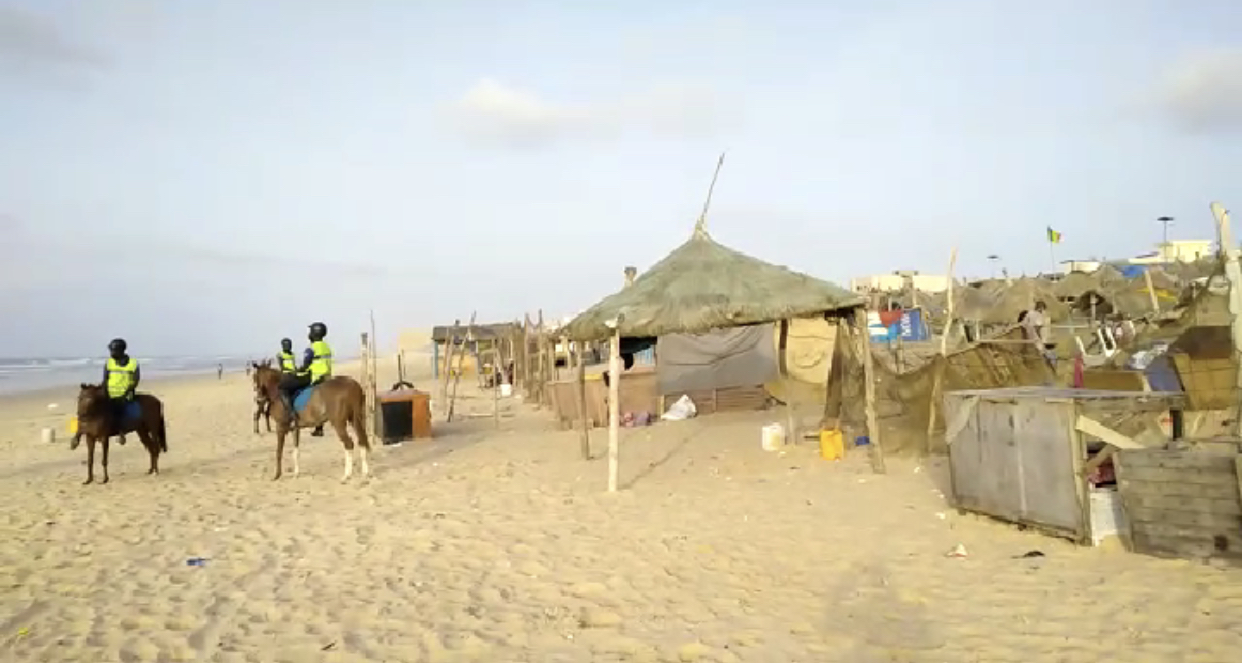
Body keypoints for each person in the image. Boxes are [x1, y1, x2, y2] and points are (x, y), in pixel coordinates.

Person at [278, 322, 332, 436]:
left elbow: (306, 365)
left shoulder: (311, 348)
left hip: (313, 376)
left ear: (314, 333)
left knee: (283, 387)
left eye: (310, 331)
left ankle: (292, 417)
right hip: (326, 376)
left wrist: (297, 372)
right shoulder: (326, 346)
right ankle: (319, 427)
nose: (309, 334)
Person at [102, 338, 140, 445]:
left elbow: (136, 380)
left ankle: (121, 432)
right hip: (110, 393)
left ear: (121, 350)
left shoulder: (133, 363)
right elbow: (105, 379)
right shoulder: (109, 362)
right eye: (111, 350)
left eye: (113, 350)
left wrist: (127, 391)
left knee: (118, 408)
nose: (111, 353)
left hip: (126, 393)